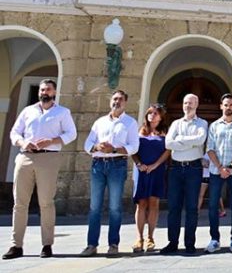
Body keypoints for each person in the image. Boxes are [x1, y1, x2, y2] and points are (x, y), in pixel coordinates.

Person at [4, 79, 77, 260]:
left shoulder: (62, 112)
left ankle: (47, 244)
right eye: (42, 89)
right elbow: (14, 132)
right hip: (25, 157)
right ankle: (16, 245)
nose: (44, 92)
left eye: (48, 89)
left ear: (54, 92)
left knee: (46, 202)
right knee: (20, 203)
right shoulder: (28, 111)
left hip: (48, 158)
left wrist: (51, 141)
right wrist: (22, 142)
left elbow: (71, 133)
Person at [81, 90, 140, 257]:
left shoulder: (130, 123)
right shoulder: (99, 122)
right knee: (94, 207)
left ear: (125, 102)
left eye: (121, 99)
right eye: (114, 99)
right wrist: (97, 147)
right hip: (98, 165)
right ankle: (91, 244)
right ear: (110, 102)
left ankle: (113, 244)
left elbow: (134, 146)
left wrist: (113, 148)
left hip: (117, 165)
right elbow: (87, 144)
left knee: (115, 207)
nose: (117, 102)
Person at [161, 93, 207, 255]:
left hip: (193, 169)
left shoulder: (202, 123)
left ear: (197, 104)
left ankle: (189, 243)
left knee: (192, 208)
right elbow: (168, 143)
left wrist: (180, 140)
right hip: (175, 169)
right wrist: (189, 142)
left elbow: (200, 140)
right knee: (173, 207)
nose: (188, 106)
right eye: (185, 103)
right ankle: (172, 242)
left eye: (191, 103)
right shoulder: (175, 123)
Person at [205, 94, 232, 254]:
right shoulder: (214, 126)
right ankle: (214, 239)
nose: (228, 107)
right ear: (221, 106)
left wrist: (229, 167)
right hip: (216, 171)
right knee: (212, 205)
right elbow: (209, 148)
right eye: (225, 104)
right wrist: (220, 167)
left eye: (231, 104)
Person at [131, 104, 170, 253]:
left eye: (155, 113)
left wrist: (156, 165)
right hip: (141, 170)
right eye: (150, 113)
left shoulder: (164, 132)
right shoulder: (140, 131)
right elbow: (132, 150)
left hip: (157, 170)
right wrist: (139, 164)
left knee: (154, 202)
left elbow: (168, 151)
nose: (152, 115)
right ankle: (139, 238)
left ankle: (150, 237)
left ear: (161, 116)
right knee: (141, 203)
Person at [198, 152, 225, 216]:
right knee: (217, 194)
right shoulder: (218, 154)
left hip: (207, 176)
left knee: (201, 195)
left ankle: (197, 211)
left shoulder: (207, 154)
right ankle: (223, 210)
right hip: (212, 176)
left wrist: (204, 162)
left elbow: (205, 164)